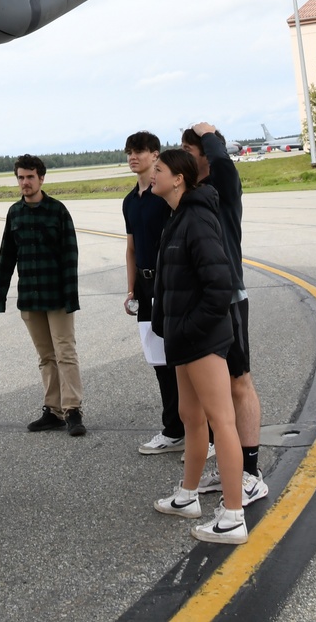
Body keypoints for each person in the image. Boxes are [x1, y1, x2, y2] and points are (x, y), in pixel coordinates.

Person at [149, 148, 248, 545]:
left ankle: (233, 515)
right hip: (183, 340)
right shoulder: (176, 218)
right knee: (191, 417)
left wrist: (189, 329)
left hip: (201, 340)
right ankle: (187, 497)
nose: (152, 174)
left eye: (160, 169)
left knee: (221, 422)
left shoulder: (198, 218)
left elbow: (218, 285)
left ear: (179, 179)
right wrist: (165, 325)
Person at [181, 124, 268, 506]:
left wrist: (211, 134)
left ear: (204, 153)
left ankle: (251, 474)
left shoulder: (225, 188)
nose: (183, 154)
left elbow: (224, 164)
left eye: (189, 148)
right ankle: (232, 470)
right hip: (201, 304)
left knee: (238, 383)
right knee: (212, 391)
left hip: (229, 297)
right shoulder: (194, 194)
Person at [0, 154, 86, 436]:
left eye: (30, 177)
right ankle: (53, 410)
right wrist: (0, 294)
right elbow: (6, 255)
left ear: (41, 178)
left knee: (65, 352)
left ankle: (73, 410)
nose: (25, 182)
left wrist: (71, 298)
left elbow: (70, 256)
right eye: (20, 177)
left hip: (57, 297)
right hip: (30, 299)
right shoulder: (15, 213)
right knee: (46, 356)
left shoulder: (57, 211)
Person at [121, 131, 183, 454]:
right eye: (129, 152)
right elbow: (131, 248)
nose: (133, 157)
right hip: (145, 287)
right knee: (158, 361)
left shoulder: (166, 195)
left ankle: (206, 433)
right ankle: (173, 430)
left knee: (182, 361)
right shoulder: (130, 201)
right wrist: (131, 288)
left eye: (139, 151)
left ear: (155, 155)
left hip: (169, 283)